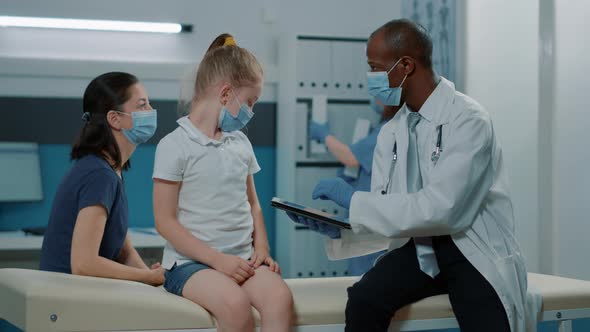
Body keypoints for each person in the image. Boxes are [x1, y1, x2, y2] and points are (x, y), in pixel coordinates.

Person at [288, 19, 538, 332]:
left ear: (405, 65)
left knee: (486, 320)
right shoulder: (392, 131)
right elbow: (391, 212)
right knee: (364, 298)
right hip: (419, 250)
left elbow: (443, 210)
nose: (370, 78)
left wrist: (355, 201)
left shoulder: (468, 120)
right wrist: (343, 230)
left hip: (471, 249)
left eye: (375, 67)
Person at [153, 34, 293, 332]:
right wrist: (218, 260)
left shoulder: (240, 143)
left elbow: (253, 204)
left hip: (241, 259)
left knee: (280, 296)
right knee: (235, 304)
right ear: (226, 93)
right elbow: (165, 222)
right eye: (250, 102)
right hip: (189, 265)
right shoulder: (175, 145)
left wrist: (262, 248)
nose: (251, 112)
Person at [40, 72, 165, 287]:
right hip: (68, 302)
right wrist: (148, 277)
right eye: (142, 105)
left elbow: (123, 251)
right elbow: (83, 264)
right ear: (115, 119)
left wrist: (154, 281)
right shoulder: (99, 175)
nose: (151, 111)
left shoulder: (109, 169)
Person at [308, 99, 399, 275]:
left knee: (369, 276)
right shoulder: (382, 127)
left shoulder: (390, 129)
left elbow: (351, 157)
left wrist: (324, 135)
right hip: (366, 221)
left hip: (376, 224)